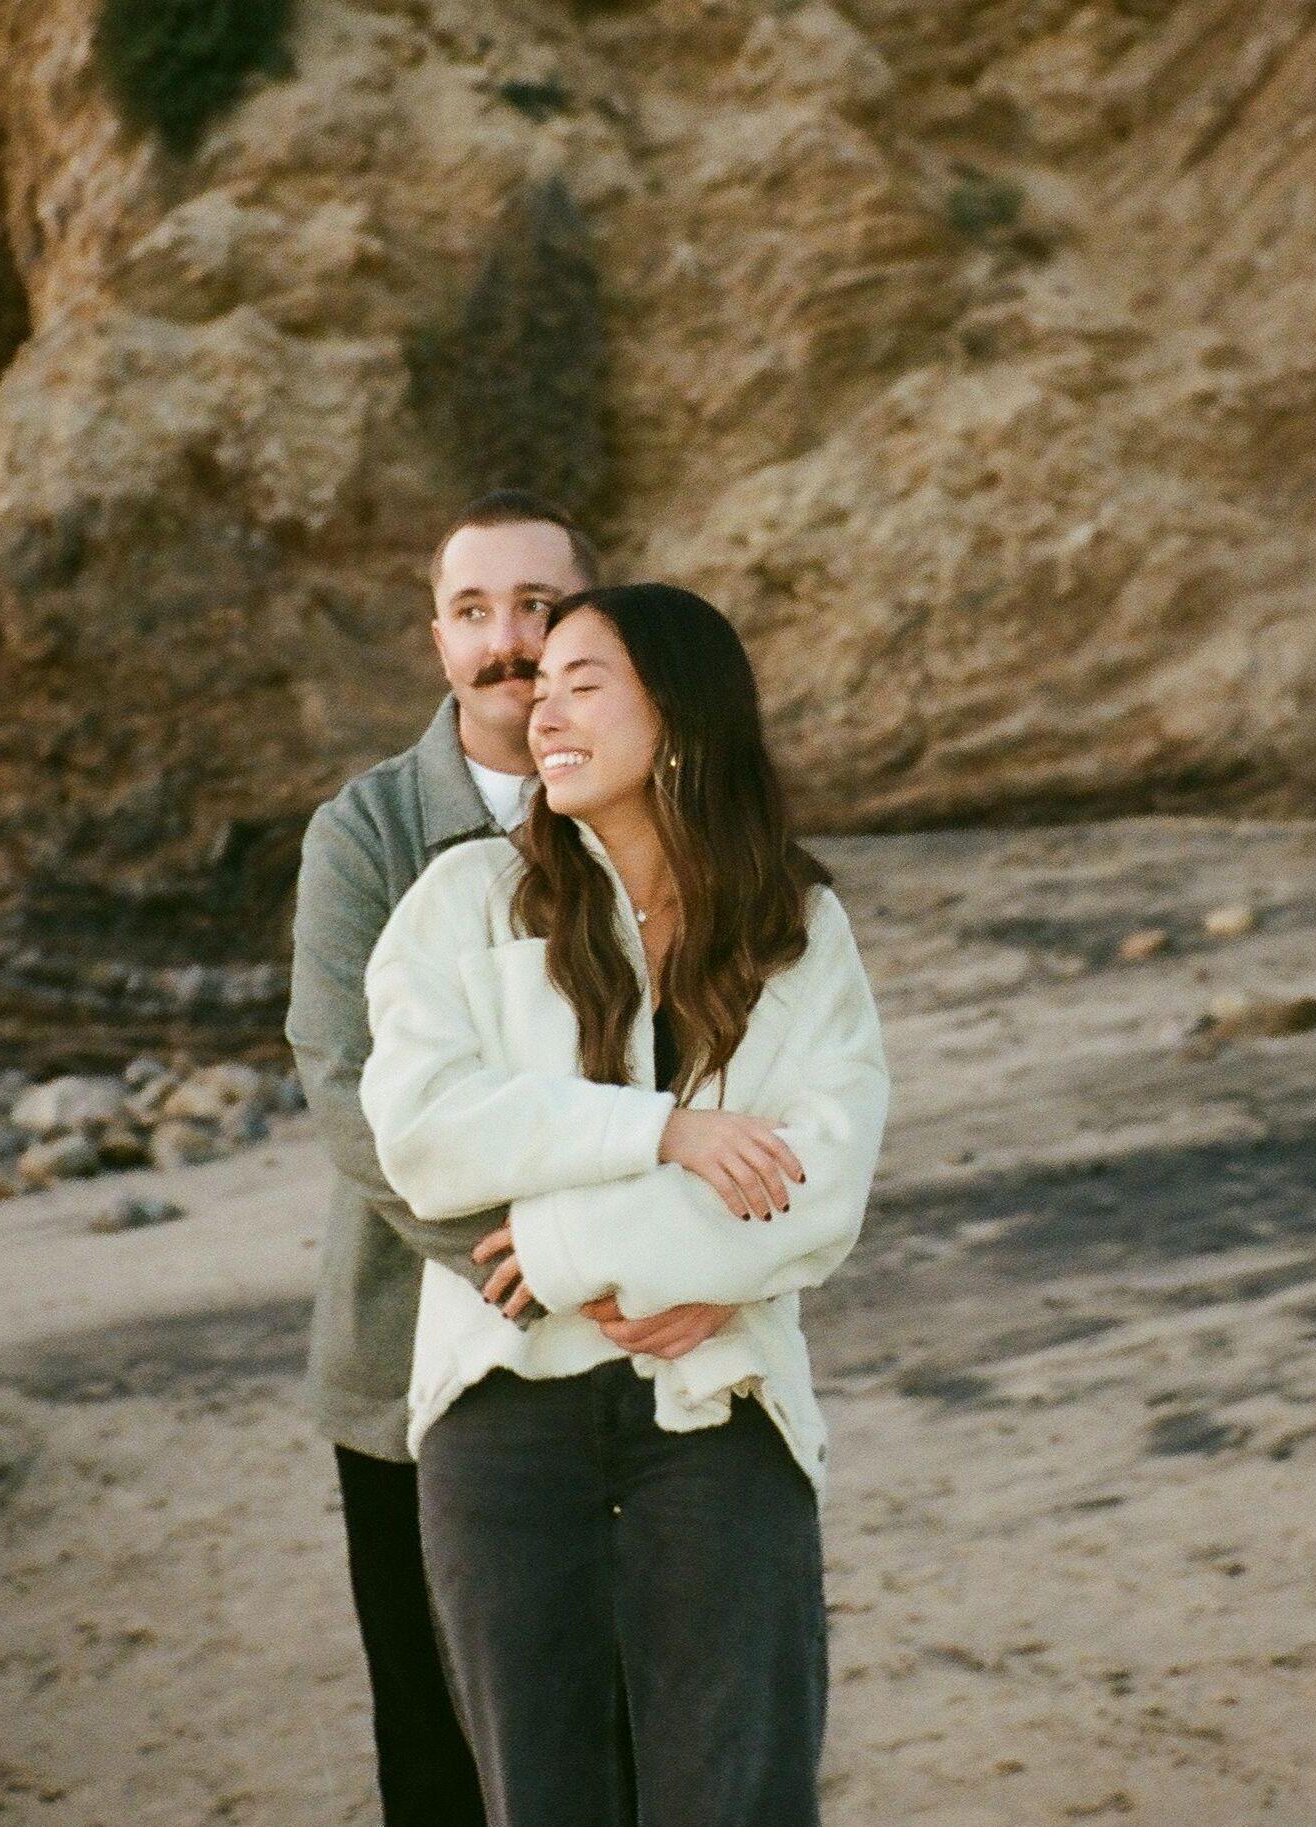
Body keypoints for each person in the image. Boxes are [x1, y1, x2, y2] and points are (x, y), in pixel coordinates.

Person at [361, 582, 889, 1827]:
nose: (541, 713)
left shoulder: (793, 925)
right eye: (537, 691)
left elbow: (822, 1176)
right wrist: (664, 1133)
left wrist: (569, 1247)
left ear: (681, 713)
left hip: (722, 1399)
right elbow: (422, 1132)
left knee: (739, 1795)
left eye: (581, 685)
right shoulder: (461, 902)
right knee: (545, 1801)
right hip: (503, 1415)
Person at [286, 500, 741, 1827]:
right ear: (435, 635)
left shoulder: (674, 821)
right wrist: (541, 1265)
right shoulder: (366, 833)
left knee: (641, 1726)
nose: (506, 642)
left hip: (651, 1342)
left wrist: (664, 1267)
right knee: (442, 1744)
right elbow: (348, 1088)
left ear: (590, 621)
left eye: (538, 606)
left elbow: (731, 1070)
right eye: (472, 610)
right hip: (412, 1357)